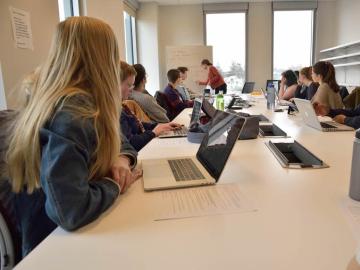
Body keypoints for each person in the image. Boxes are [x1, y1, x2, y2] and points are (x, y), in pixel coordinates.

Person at [5, 17, 141, 257]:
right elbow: (71, 211)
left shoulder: (75, 103)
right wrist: (113, 184)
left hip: (61, 238)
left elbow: (124, 142)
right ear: (104, 58)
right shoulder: (73, 113)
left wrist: (122, 160)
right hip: (56, 248)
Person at [120, 62, 181, 151]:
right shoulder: (117, 112)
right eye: (129, 85)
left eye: (132, 85)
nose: (131, 88)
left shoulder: (123, 105)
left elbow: (138, 124)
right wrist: (154, 132)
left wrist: (159, 126)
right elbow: (131, 143)